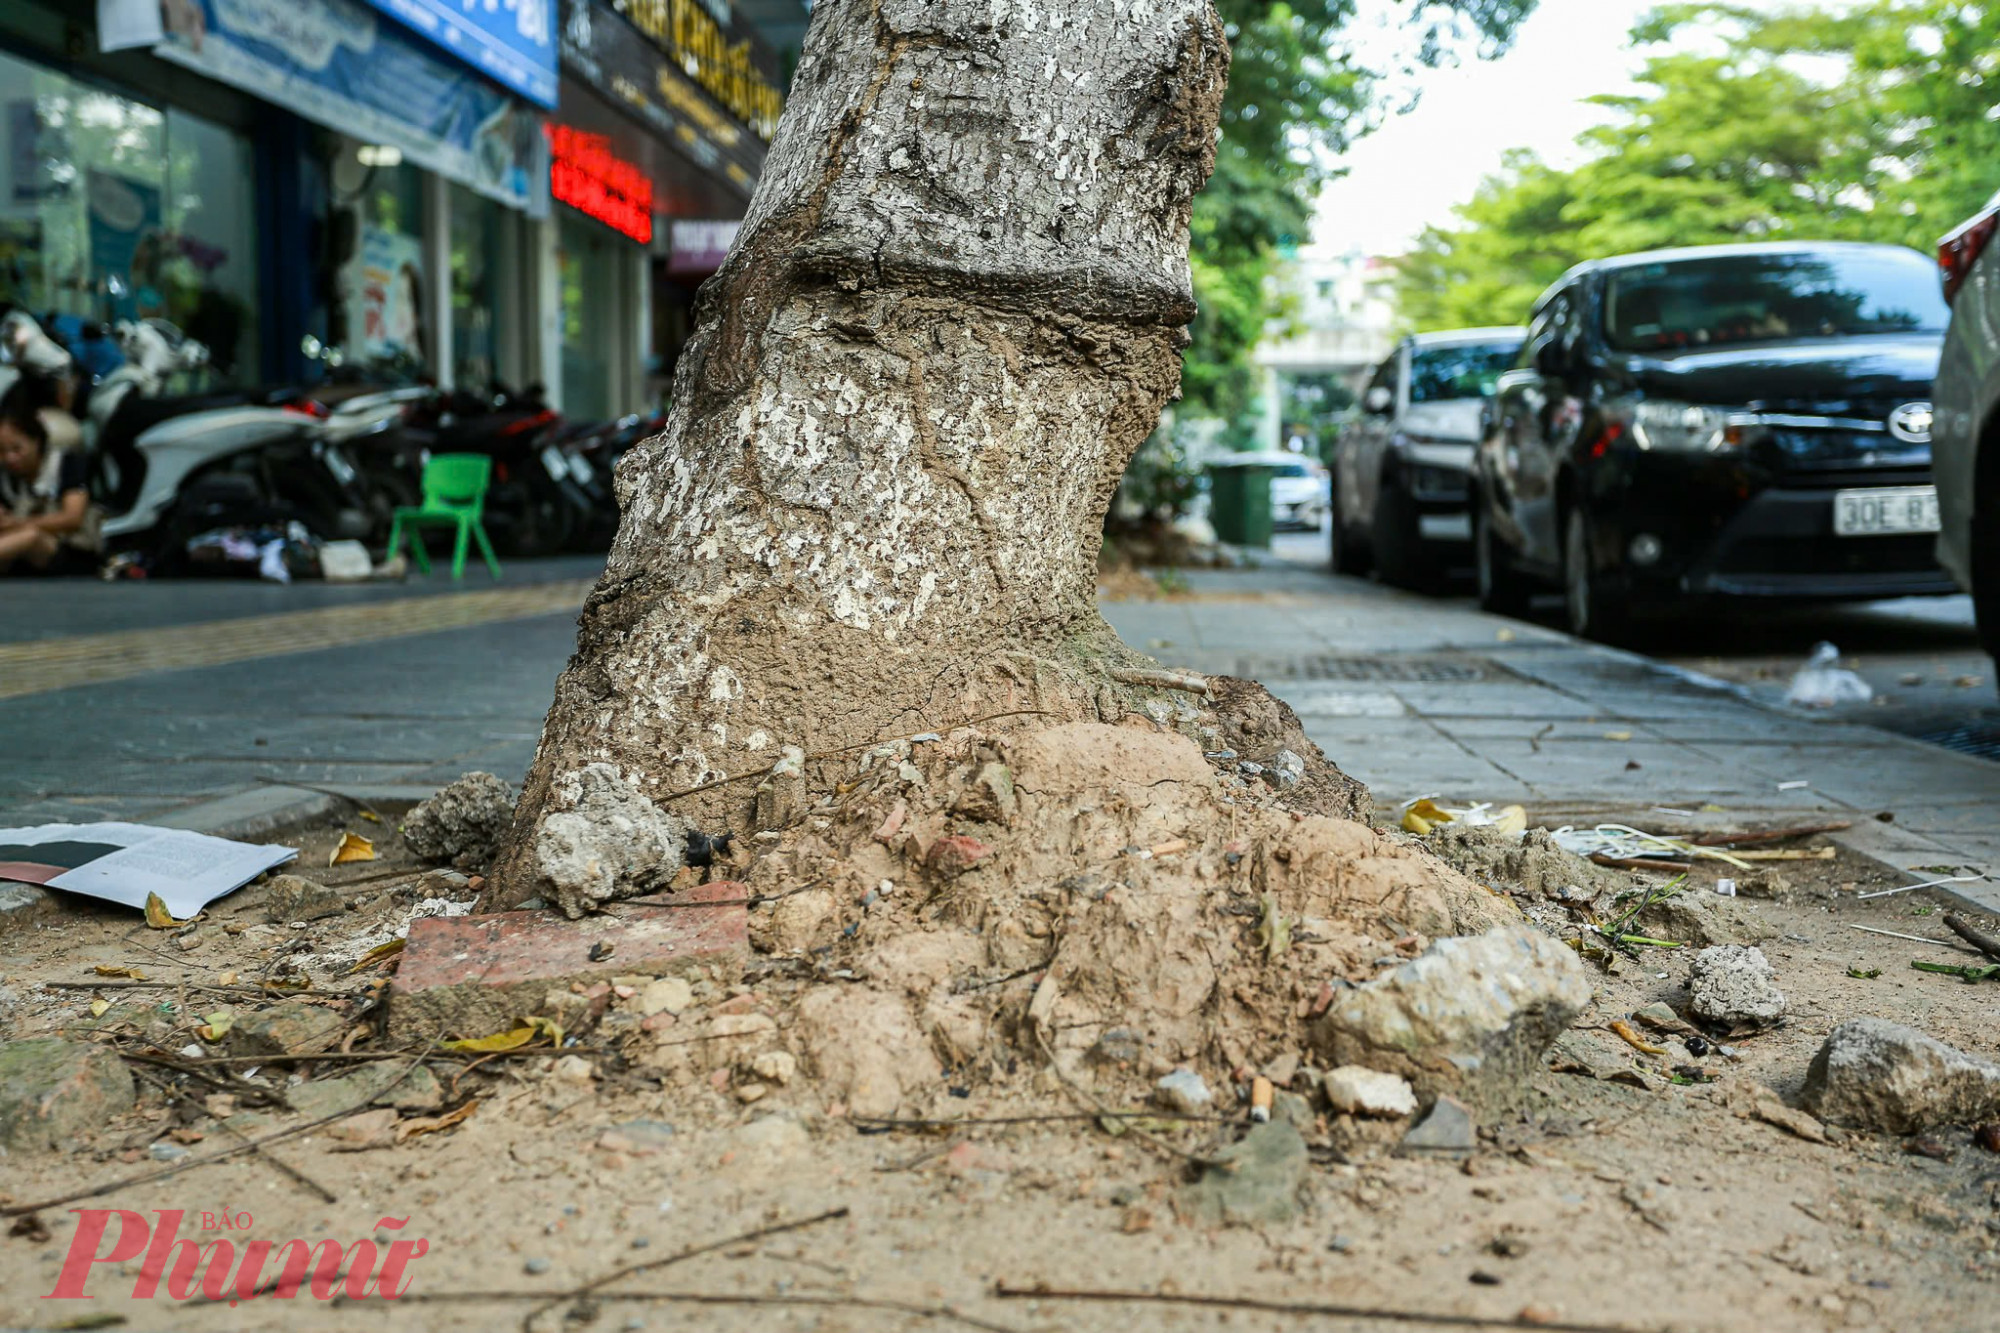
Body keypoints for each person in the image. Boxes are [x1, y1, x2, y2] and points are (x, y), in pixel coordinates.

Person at [0, 384, 101, 575]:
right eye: (2, 452)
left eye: (17, 449)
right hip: (22, 558)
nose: (10, 458)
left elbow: (72, 518)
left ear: (36, 441)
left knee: (30, 536)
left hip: (71, 550)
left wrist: (18, 523)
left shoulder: (67, 464)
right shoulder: (7, 478)